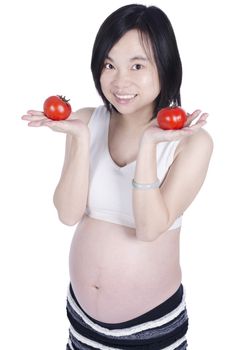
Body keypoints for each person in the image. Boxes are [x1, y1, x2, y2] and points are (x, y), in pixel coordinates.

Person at [22, 4, 213, 350]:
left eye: (137, 65)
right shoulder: (84, 121)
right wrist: (80, 138)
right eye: (109, 65)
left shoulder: (192, 142)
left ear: (166, 67)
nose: (119, 81)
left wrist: (150, 144)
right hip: (81, 321)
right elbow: (68, 214)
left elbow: (150, 228)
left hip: (151, 329)